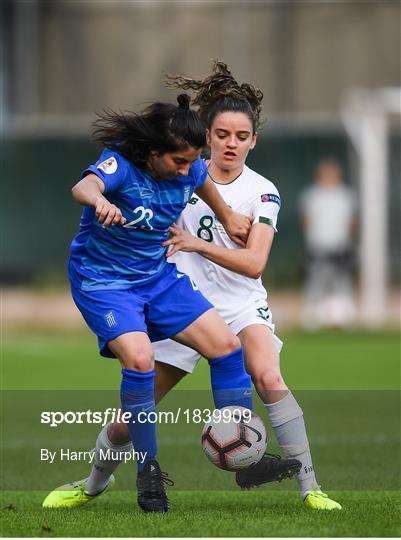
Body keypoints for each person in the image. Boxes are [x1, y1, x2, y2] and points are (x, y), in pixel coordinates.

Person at [44, 62, 340, 511]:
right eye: (222, 134)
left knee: (261, 370)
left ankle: (296, 482)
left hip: (218, 299)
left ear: (253, 140)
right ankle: (97, 482)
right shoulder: (152, 163)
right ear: (205, 136)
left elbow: (254, 262)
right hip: (137, 286)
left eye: (241, 136)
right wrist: (102, 199)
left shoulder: (254, 189)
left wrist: (214, 228)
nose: (229, 144)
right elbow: (86, 185)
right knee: (131, 405)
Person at [44, 93, 267, 514]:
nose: (187, 169)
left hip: (157, 278)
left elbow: (199, 176)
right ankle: (147, 471)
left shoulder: (190, 166)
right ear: (153, 153)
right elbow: (83, 185)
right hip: (104, 283)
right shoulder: (121, 165)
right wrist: (100, 200)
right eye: (178, 162)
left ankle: (241, 449)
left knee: (226, 347)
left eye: (190, 161)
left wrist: (225, 216)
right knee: (141, 359)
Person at [299, 158, 357, 330]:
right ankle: (311, 318)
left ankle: (345, 318)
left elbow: (351, 222)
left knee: (342, 282)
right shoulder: (312, 195)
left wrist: (347, 241)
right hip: (317, 245)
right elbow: (305, 220)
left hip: (340, 245)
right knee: (316, 281)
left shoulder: (346, 195)